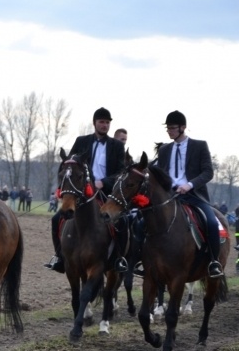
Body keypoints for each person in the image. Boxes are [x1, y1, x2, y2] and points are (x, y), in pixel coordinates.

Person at [135, 111, 223, 278]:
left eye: (172, 128)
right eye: (167, 128)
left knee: (211, 222)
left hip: (193, 195)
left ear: (183, 128)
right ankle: (141, 260)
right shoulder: (165, 149)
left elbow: (208, 172)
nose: (169, 131)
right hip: (169, 196)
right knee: (140, 223)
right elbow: (159, 172)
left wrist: (189, 185)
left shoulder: (199, 146)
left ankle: (213, 261)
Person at [44, 107, 126, 272]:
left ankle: (118, 259)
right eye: (101, 122)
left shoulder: (116, 146)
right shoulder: (81, 141)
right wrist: (63, 187)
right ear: (94, 123)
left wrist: (103, 182)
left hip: (105, 193)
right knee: (56, 219)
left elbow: (120, 172)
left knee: (123, 222)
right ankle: (60, 257)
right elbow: (69, 164)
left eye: (107, 123)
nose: (104, 125)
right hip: (81, 191)